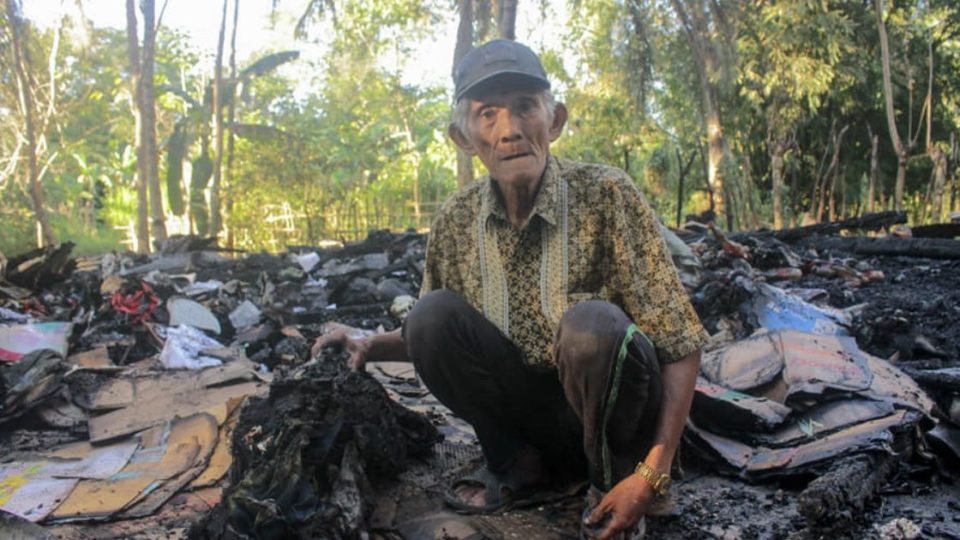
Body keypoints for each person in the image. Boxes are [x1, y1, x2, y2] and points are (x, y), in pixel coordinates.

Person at [313, 39, 708, 540]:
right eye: (488, 114)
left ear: (556, 119)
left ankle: (613, 481)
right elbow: (435, 337)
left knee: (592, 327)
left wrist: (654, 472)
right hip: (533, 416)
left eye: (525, 108)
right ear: (463, 137)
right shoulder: (456, 221)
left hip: (615, 416)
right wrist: (370, 344)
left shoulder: (607, 194)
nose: (510, 130)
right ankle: (519, 467)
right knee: (429, 315)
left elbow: (680, 341)